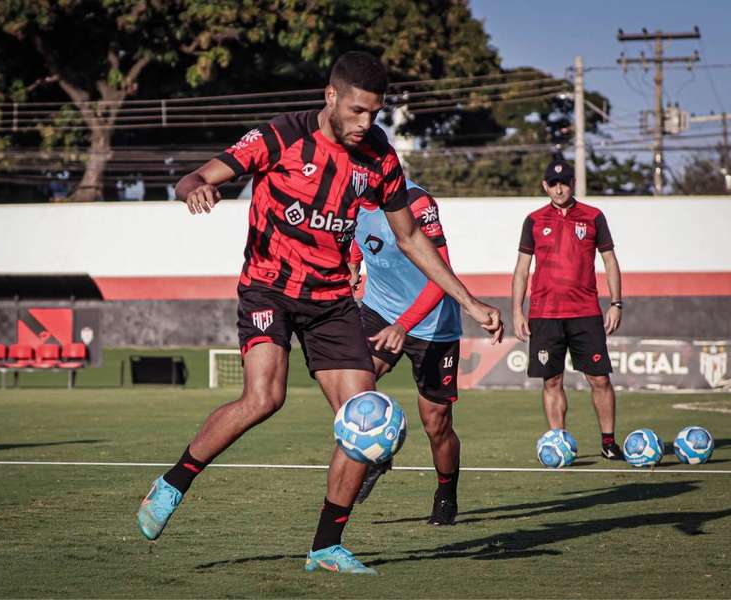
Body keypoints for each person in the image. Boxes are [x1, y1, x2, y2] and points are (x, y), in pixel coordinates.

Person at [136, 51, 504, 575]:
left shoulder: (379, 157)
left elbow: (410, 238)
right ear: (330, 97)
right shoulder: (279, 136)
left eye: (374, 113)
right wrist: (198, 189)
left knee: (364, 419)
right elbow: (193, 177)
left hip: (331, 302)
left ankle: (326, 546)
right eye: (356, 111)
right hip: (268, 289)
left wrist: (469, 301)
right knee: (265, 397)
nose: (365, 123)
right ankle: (174, 482)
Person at [346, 179, 463, 525]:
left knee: (436, 423)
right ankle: (378, 455)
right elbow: (356, 235)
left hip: (433, 325)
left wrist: (404, 325)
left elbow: (442, 275)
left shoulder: (415, 200)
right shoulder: (347, 197)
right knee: (352, 384)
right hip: (378, 310)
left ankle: (446, 493)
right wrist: (353, 265)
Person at [512, 159, 624, 460]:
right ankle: (559, 443)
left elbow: (610, 261)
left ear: (573, 183)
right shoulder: (533, 220)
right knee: (552, 380)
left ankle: (608, 442)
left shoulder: (593, 217)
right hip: (544, 314)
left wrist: (616, 303)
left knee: (599, 379)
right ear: (545, 186)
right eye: (553, 183)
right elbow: (522, 269)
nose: (559, 188)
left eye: (564, 182)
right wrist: (517, 311)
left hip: (586, 312)